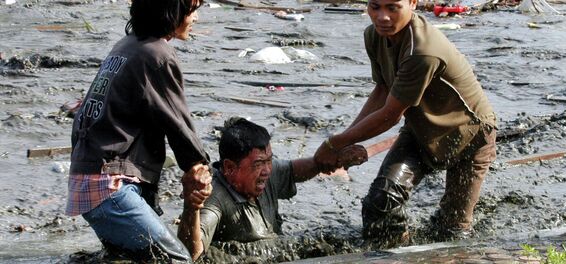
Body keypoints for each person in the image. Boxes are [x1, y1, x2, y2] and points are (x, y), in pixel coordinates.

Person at [314, 0, 497, 242]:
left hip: (469, 134)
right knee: (382, 199)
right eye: (375, 6)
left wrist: (333, 144)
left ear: (412, 3)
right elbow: (382, 90)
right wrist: (346, 141)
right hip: (421, 129)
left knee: (453, 231)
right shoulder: (374, 36)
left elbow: (390, 115)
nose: (382, 17)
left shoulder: (422, 51)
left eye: (392, 8)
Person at [65, 0, 213, 262]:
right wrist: (198, 165)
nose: (196, 18)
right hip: (109, 185)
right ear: (172, 12)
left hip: (90, 178)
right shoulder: (157, 54)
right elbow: (177, 122)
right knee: (176, 259)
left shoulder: (127, 45)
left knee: (126, 258)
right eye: (192, 11)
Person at [187, 117, 367, 256]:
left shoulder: (267, 174)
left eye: (269, 161)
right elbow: (191, 254)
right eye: (258, 164)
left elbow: (297, 170)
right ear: (229, 168)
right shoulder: (214, 198)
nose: (266, 171)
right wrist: (192, 209)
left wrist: (334, 159)